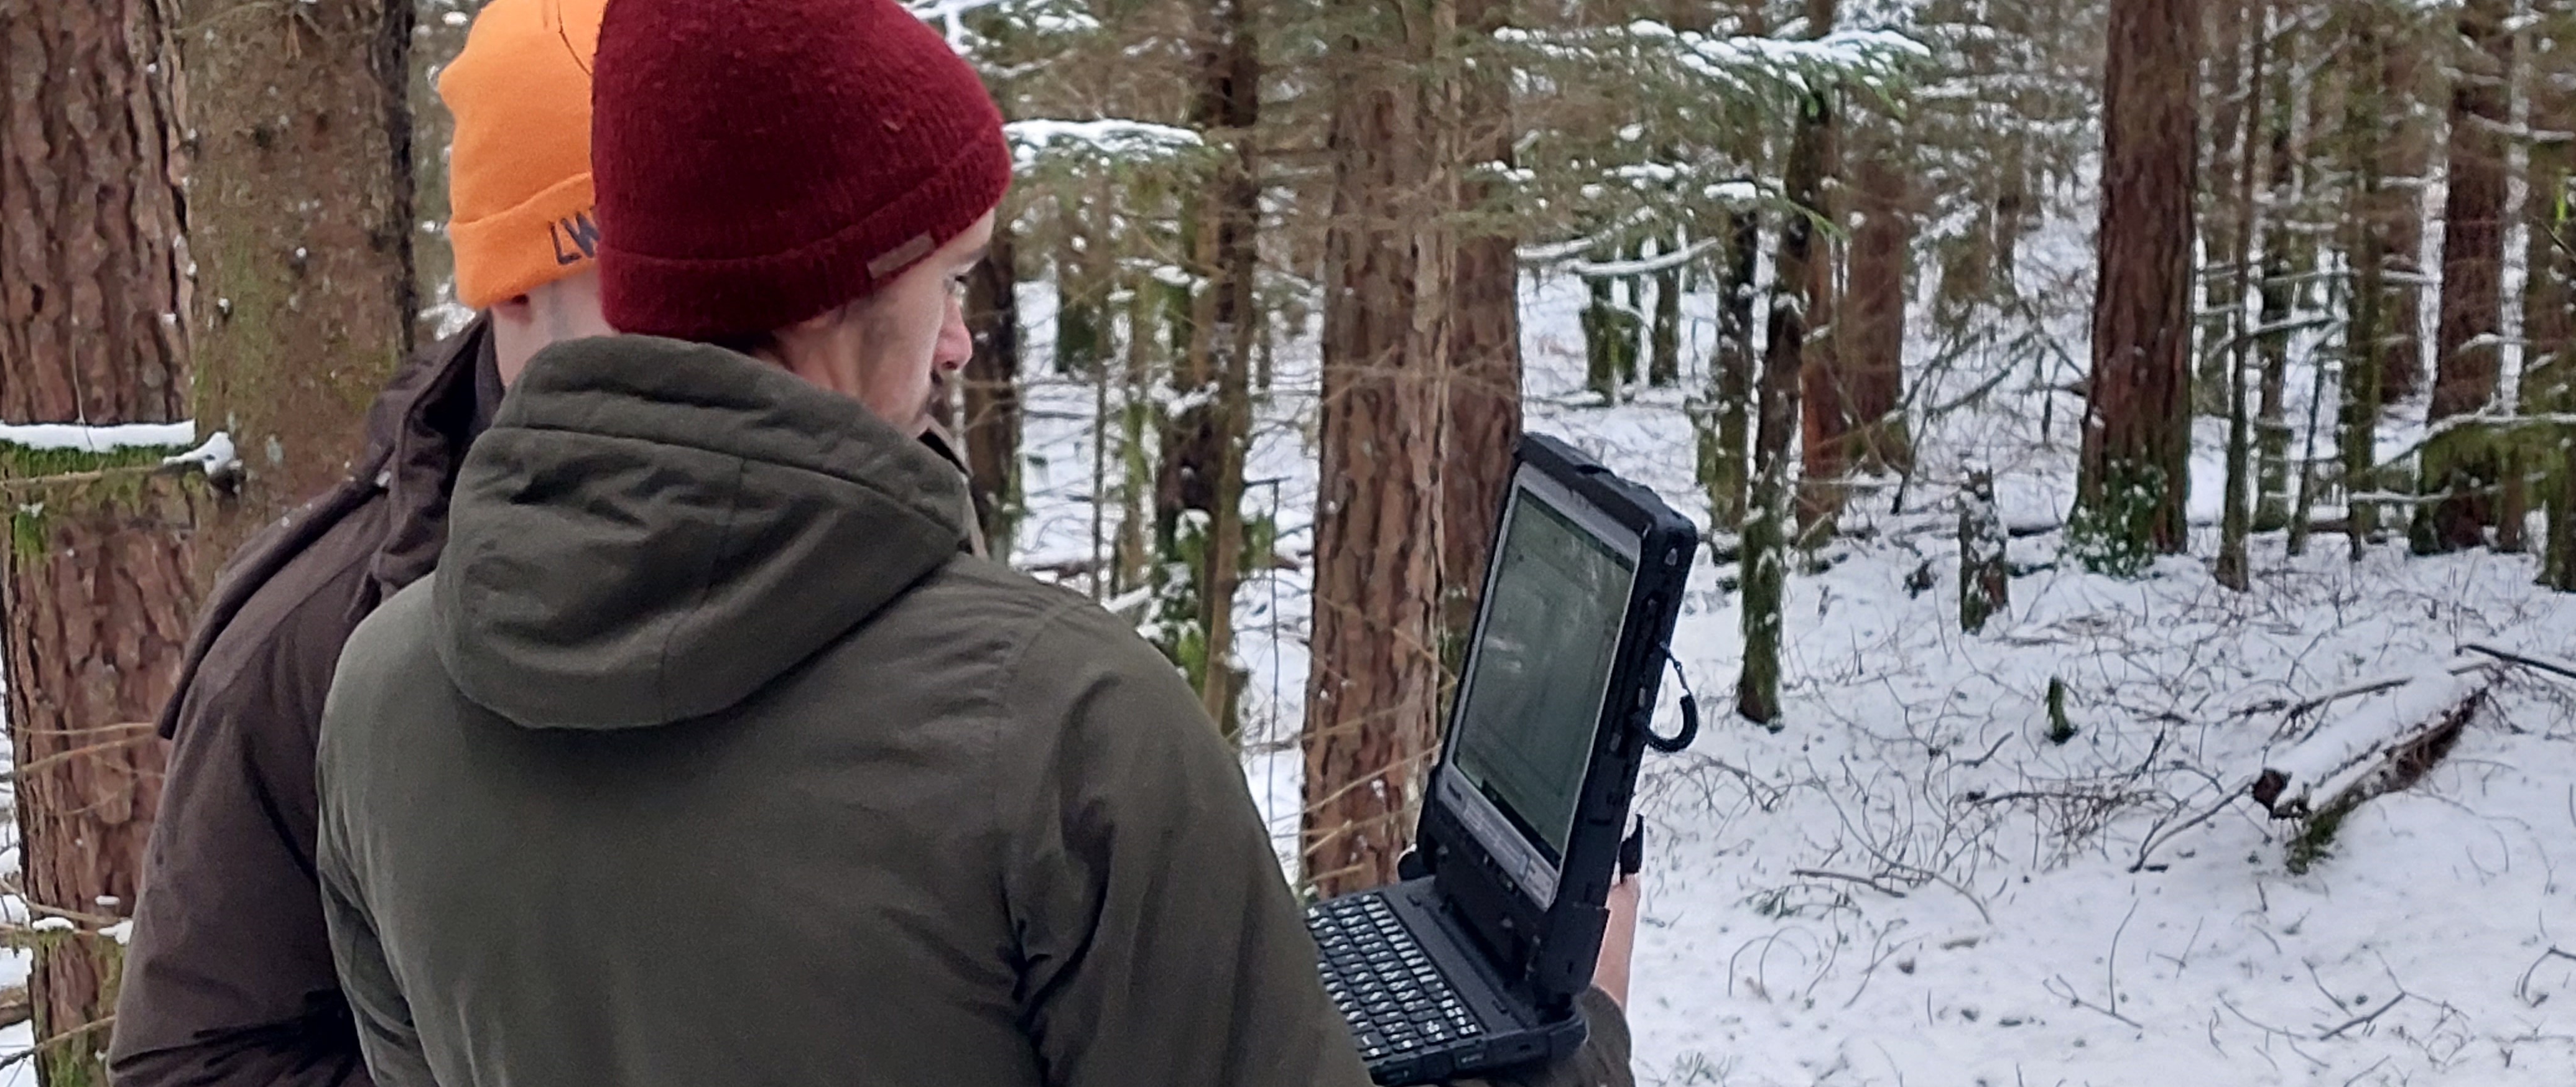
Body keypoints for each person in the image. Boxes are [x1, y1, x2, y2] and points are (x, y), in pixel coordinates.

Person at [311, 1, 1633, 1085]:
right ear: (826, 287)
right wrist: (1581, 1042)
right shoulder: (1064, 730)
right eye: (945, 279)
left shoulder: (380, 697)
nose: (956, 340)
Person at [107, 2, 619, 1084]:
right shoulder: (316, 643)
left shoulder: (870, 529)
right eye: (660, 271)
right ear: (520, 283)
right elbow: (197, 1062)